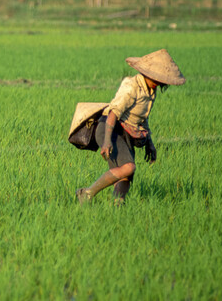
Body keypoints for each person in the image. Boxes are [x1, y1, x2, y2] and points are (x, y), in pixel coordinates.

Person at [76, 49, 185, 205]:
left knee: (125, 177)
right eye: (160, 79)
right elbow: (113, 113)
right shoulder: (131, 85)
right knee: (128, 167)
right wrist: (107, 141)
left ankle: (117, 205)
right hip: (111, 128)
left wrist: (150, 143)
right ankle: (87, 193)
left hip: (127, 132)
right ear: (151, 75)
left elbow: (142, 119)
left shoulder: (150, 91)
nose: (162, 83)